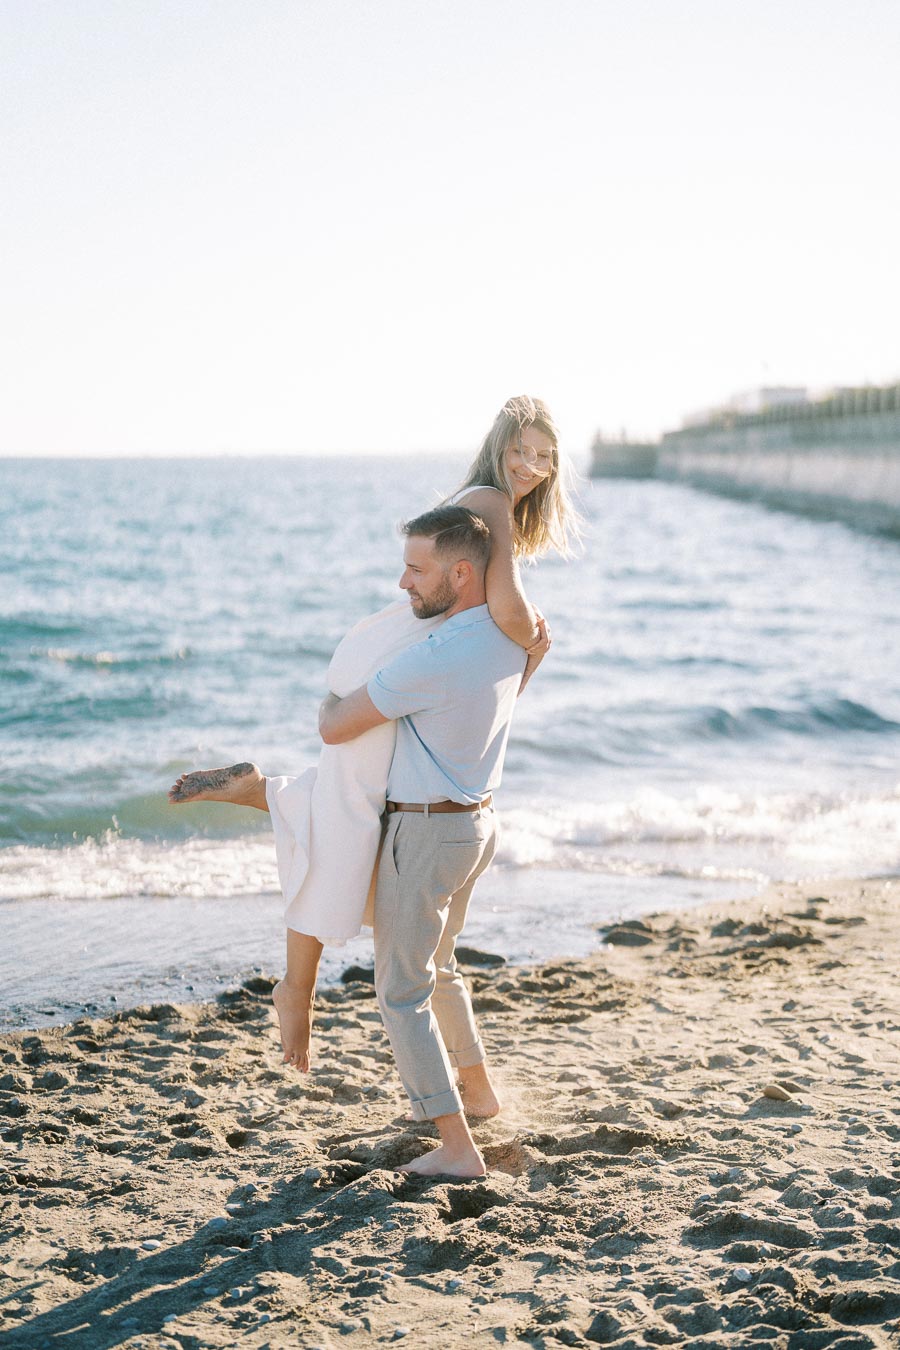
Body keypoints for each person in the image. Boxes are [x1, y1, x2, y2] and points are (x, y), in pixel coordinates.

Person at [168, 395, 577, 1078]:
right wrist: (536, 638)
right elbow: (504, 609)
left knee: (344, 812)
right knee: (345, 822)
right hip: (396, 658)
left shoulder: (488, 504)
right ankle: (295, 989)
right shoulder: (494, 503)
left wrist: (525, 654)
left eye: (545, 455)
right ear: (500, 444)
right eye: (522, 450)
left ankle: (263, 794)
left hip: (389, 651)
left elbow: (485, 631)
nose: (532, 465)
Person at [319, 505, 534, 1176]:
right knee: (440, 968)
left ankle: (458, 1147)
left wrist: (331, 694)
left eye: (417, 569)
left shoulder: (434, 657)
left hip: (428, 831)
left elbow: (335, 725)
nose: (403, 583)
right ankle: (481, 1093)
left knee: (401, 989)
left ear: (462, 573)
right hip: (474, 825)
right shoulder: (507, 637)